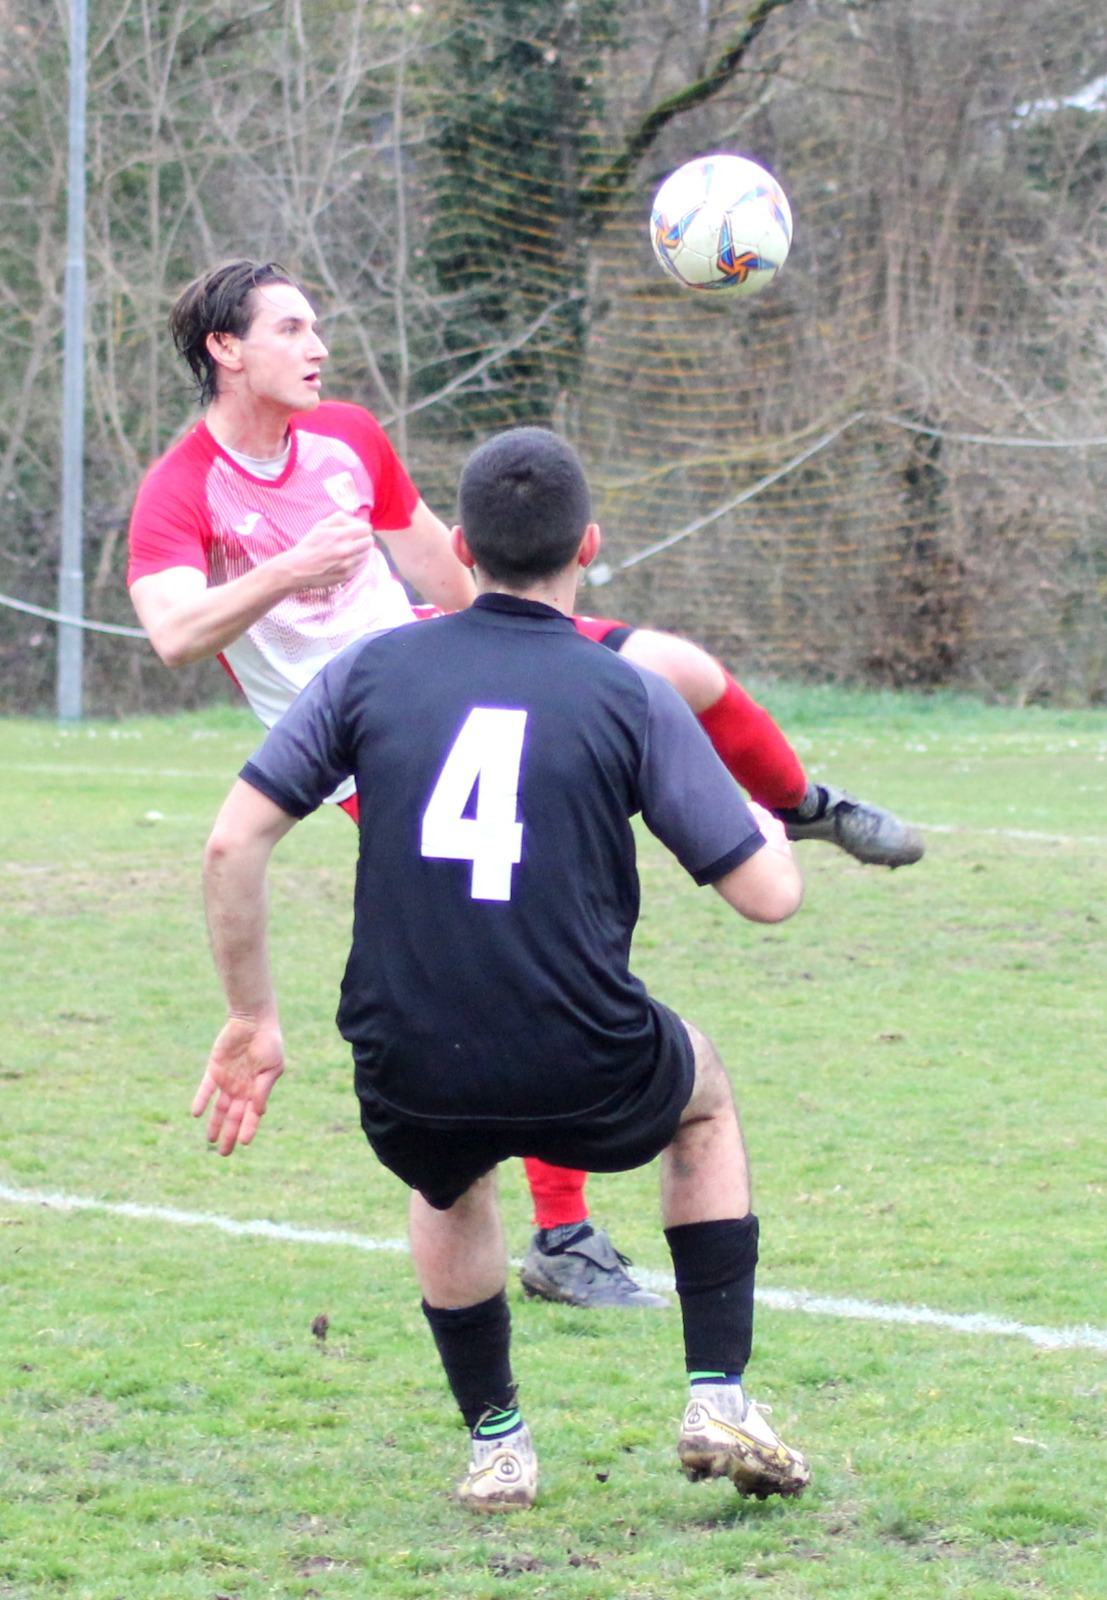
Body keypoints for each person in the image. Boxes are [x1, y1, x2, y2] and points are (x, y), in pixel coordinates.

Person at [127, 258, 922, 1312]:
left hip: (445, 659)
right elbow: (174, 633)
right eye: (292, 328)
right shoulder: (182, 486)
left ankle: (798, 805)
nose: (318, 346)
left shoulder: (348, 438)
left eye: (317, 326)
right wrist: (286, 574)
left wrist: (522, 664)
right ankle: (563, 1234)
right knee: (522, 933)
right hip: (370, 740)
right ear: (226, 349)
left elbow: (448, 574)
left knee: (682, 668)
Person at [195, 425, 812, 1510]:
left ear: (462, 547)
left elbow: (231, 844)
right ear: (589, 545)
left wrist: (253, 1014)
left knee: (446, 1178)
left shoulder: (368, 668)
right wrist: (760, 818)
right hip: (584, 1046)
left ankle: (499, 1445)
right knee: (704, 1097)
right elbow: (769, 896)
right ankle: (717, 1395)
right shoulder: (628, 690)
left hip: (408, 1051)